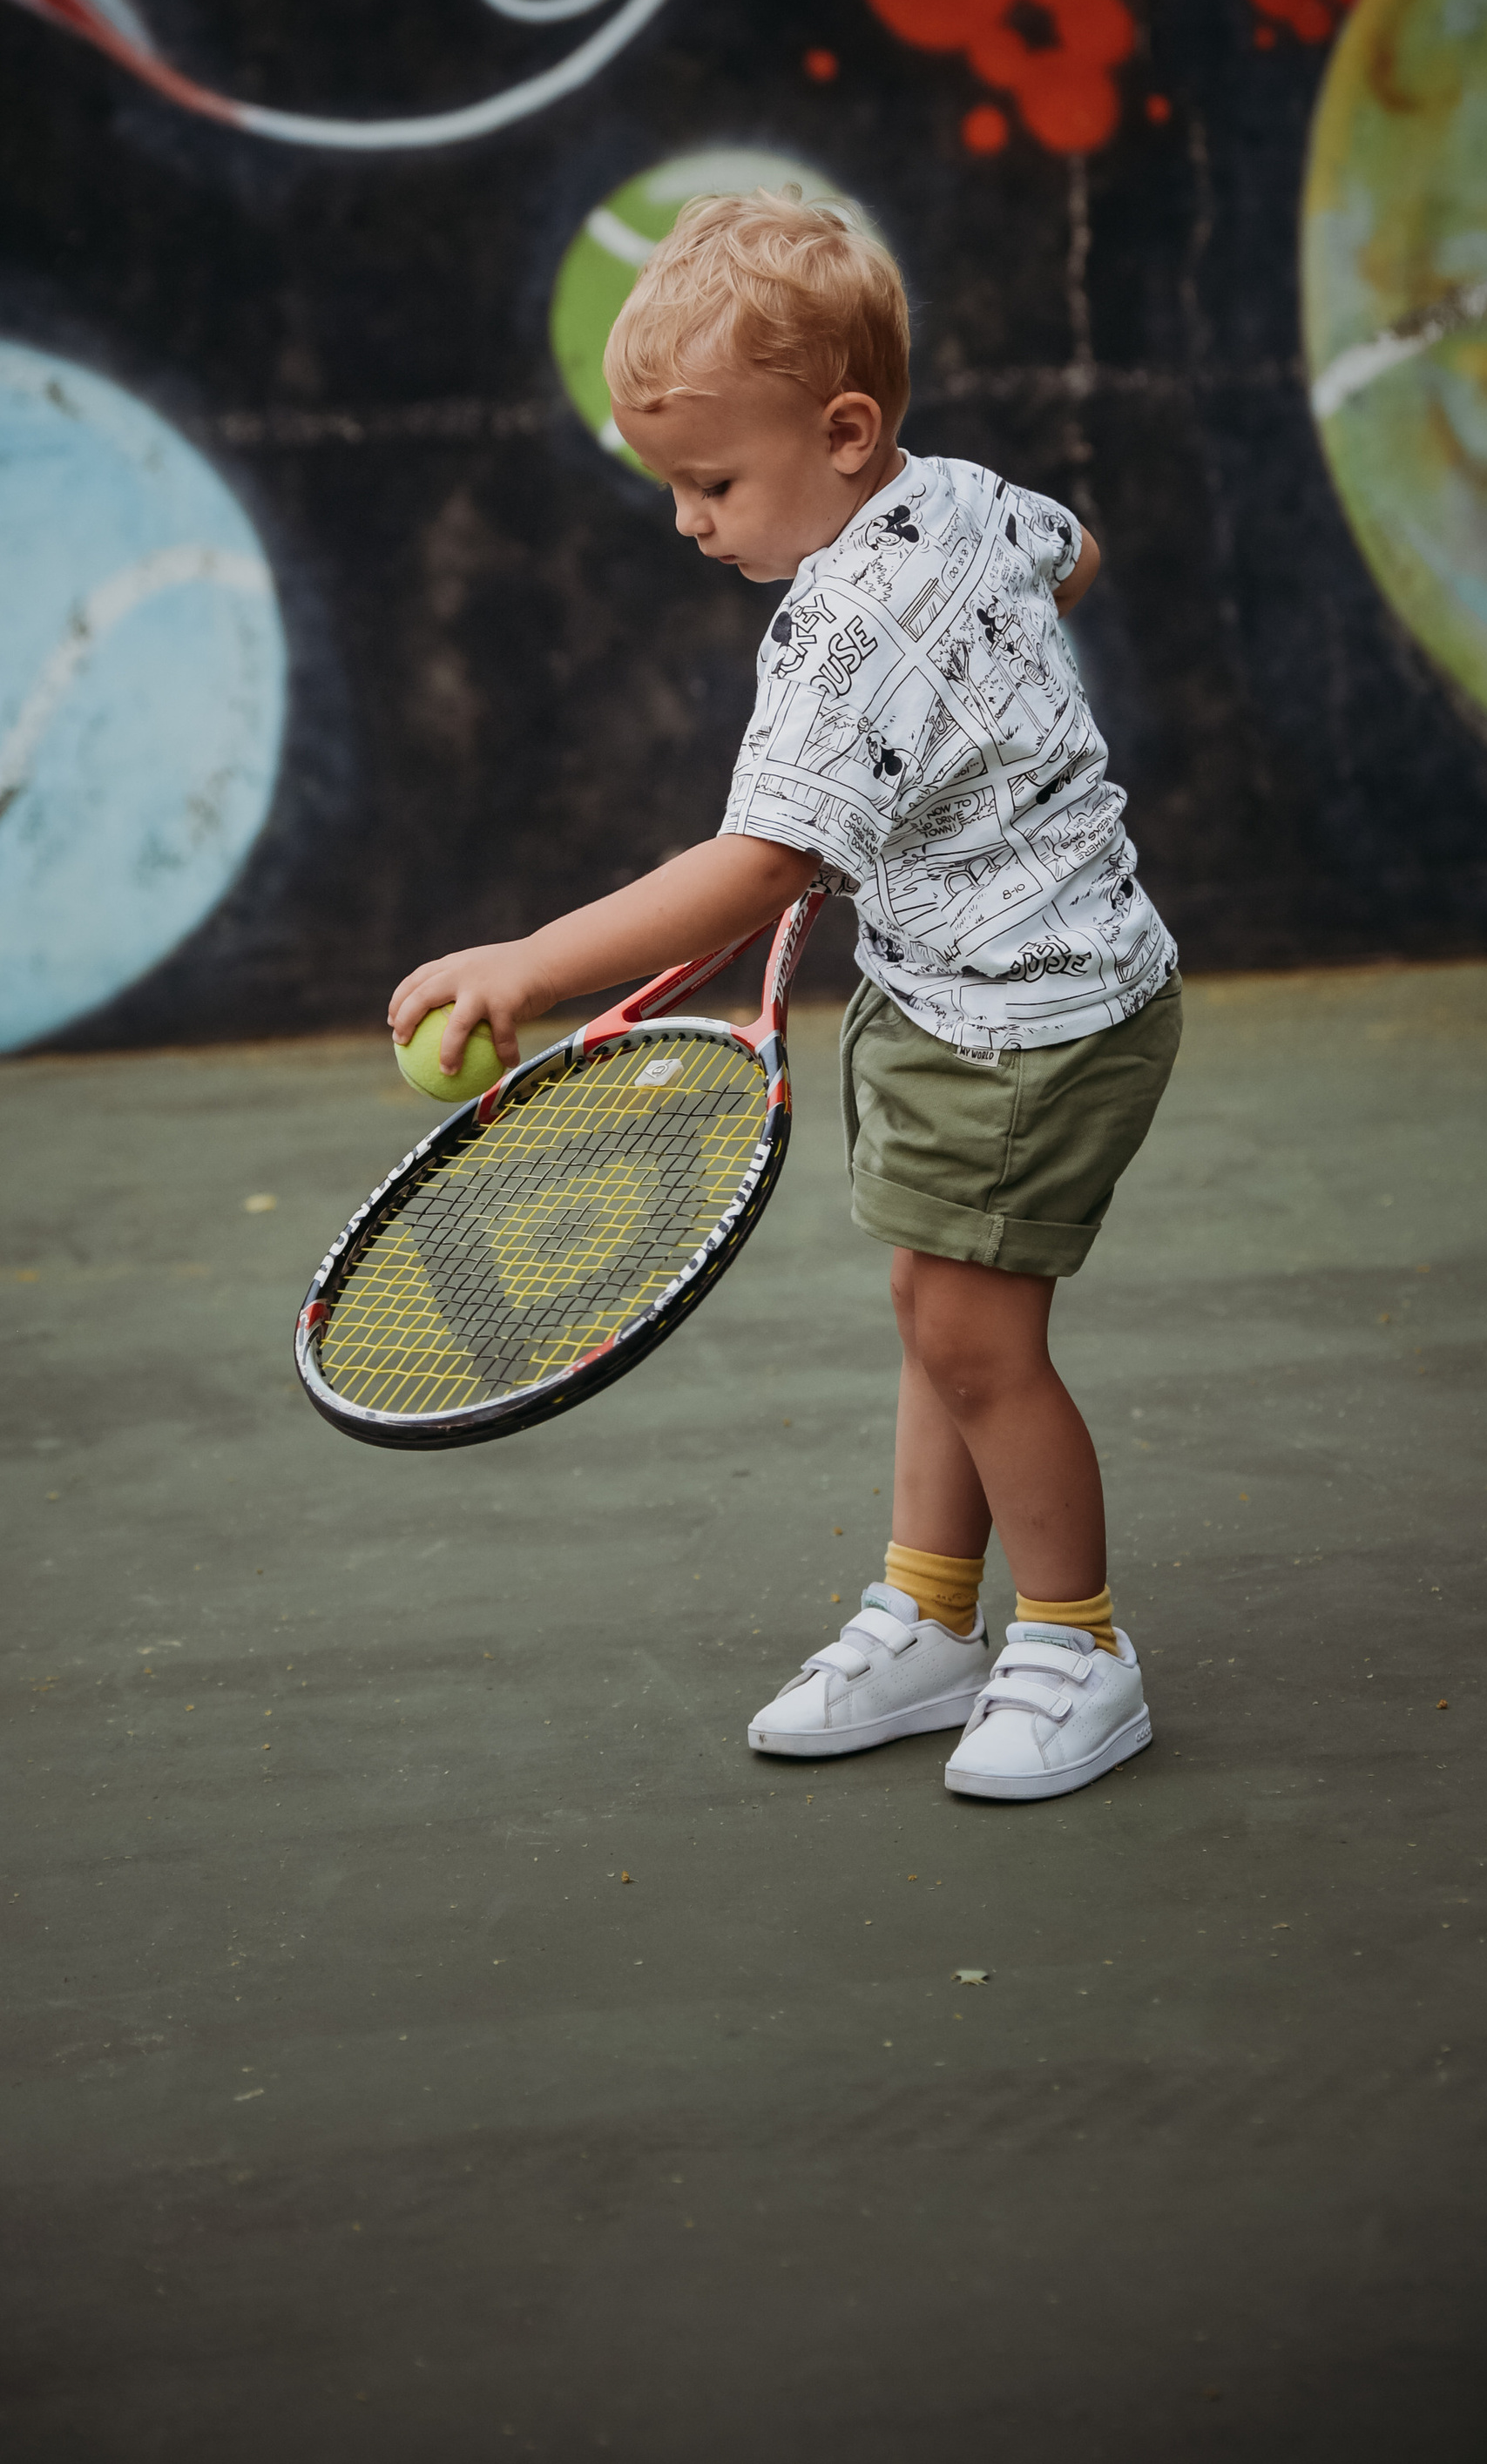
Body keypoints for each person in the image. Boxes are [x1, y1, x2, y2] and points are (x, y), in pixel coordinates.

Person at [387, 188, 1180, 1802]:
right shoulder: (955, 495)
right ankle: (934, 1618)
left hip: (1030, 1020)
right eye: (674, 484)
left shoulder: (839, 631)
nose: (691, 522)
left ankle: (1079, 1647)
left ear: (843, 428)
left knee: (975, 1336)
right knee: (935, 1315)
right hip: (958, 991)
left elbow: (754, 866)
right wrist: (970, 741)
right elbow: (1071, 556)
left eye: (714, 482)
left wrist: (524, 963)